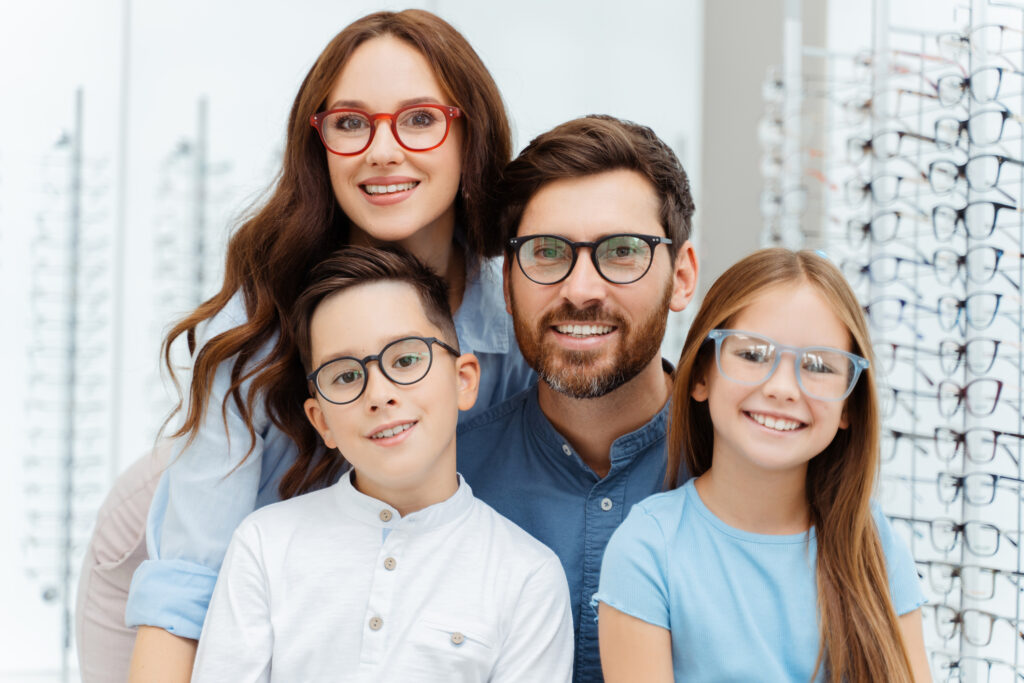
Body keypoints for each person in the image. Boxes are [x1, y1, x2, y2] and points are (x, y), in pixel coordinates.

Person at [74, 10, 535, 682]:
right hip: (185, 543)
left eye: (419, 118)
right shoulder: (266, 306)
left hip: (359, 562)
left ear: (470, 132)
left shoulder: (511, 314)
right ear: (319, 143)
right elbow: (188, 578)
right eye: (350, 122)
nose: (383, 150)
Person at [190, 246, 573, 682]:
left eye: (406, 360)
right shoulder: (264, 546)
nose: (379, 394)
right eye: (346, 375)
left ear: (462, 380)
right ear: (322, 421)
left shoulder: (527, 575)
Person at [593, 248, 932, 682]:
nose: (783, 388)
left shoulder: (874, 542)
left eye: (818, 366)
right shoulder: (647, 549)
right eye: (752, 355)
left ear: (849, 405)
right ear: (700, 375)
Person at [456, 115, 699, 682]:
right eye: (545, 252)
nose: (580, 290)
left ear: (681, 277)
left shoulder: (752, 474)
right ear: (508, 285)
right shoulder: (445, 479)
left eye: (621, 252)